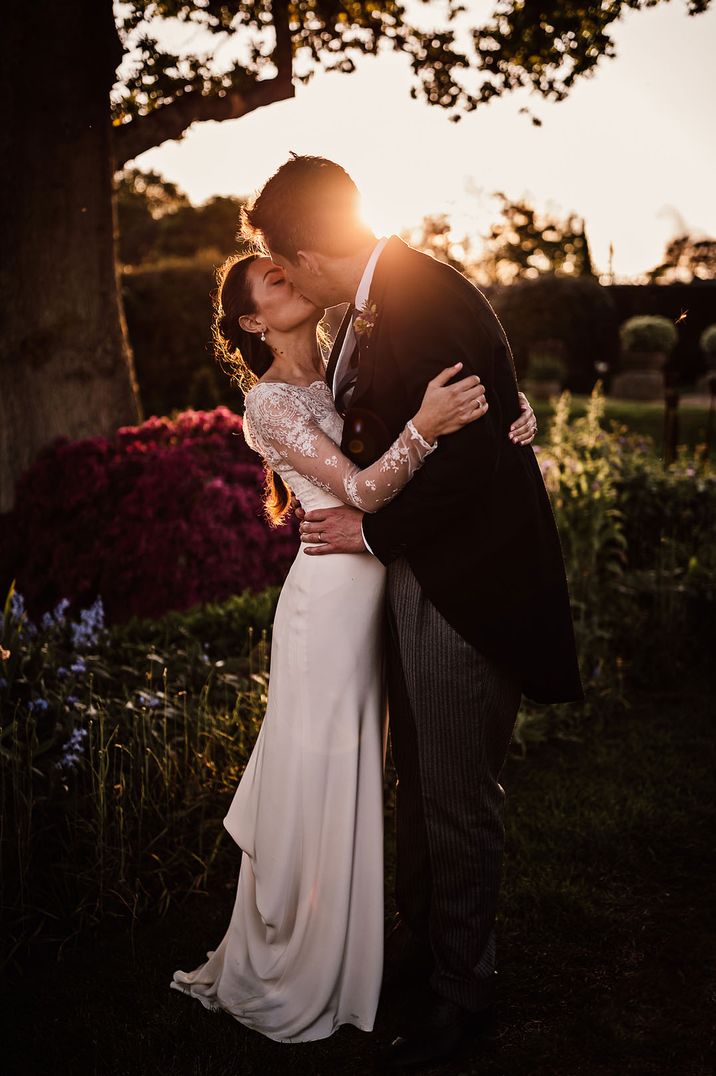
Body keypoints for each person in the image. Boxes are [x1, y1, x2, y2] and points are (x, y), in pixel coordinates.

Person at [241, 154, 584, 1068]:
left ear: (311, 253)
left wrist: (375, 538)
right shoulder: (376, 300)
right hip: (412, 577)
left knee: (454, 794)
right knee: (421, 786)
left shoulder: (423, 294)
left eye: (286, 262)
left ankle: (464, 995)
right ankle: (424, 959)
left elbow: (474, 460)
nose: (290, 278)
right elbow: (429, 433)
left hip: (464, 584)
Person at [168, 249, 538, 1045]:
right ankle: (296, 954)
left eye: (287, 268)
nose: (291, 279)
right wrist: (427, 427)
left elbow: (404, 415)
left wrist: (511, 408)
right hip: (330, 603)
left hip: (382, 590)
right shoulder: (266, 403)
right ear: (252, 323)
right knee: (321, 771)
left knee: (376, 769)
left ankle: (367, 947)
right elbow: (363, 489)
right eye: (271, 283)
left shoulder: (340, 364)